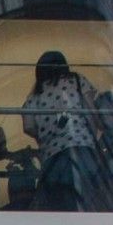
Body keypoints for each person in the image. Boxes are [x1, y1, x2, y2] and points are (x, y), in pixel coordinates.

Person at [23, 49, 98, 209]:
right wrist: (94, 137)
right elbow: (91, 111)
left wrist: (46, 136)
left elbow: (28, 126)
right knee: (84, 200)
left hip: (52, 156)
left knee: (61, 205)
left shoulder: (35, 95)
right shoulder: (77, 80)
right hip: (80, 146)